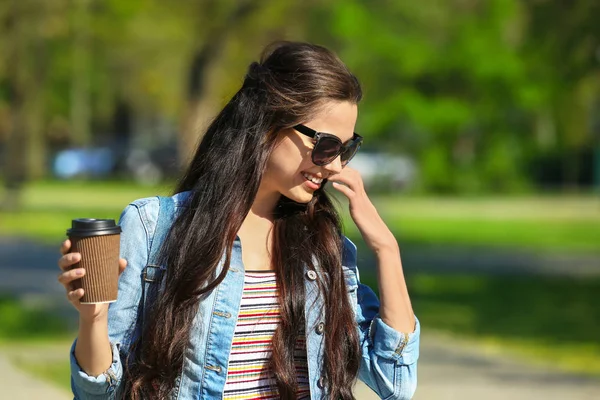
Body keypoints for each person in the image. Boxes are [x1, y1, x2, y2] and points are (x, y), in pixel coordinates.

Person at [57, 41, 420, 400]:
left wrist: (387, 249)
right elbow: (99, 393)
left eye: (346, 149)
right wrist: (94, 318)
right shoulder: (155, 227)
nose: (337, 165)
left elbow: (395, 383)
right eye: (326, 146)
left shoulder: (323, 245)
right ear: (268, 123)